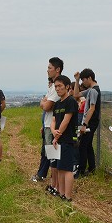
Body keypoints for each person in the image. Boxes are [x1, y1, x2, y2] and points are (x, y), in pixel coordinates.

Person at [32, 58, 63, 195]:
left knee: (51, 153)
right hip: (47, 124)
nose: (47, 70)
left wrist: (44, 102)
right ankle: (44, 175)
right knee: (46, 151)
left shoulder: (58, 87)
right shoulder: (52, 87)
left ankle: (53, 182)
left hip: (52, 125)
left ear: (57, 69)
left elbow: (47, 105)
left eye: (50, 68)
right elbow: (44, 105)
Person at [51, 75, 78, 201]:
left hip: (67, 139)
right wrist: (53, 131)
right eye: (56, 86)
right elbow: (54, 120)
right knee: (60, 168)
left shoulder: (71, 101)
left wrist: (56, 136)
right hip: (58, 139)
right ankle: (61, 193)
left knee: (67, 169)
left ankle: (67, 196)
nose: (57, 89)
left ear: (67, 87)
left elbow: (66, 121)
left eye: (60, 86)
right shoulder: (57, 104)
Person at [73, 68, 101, 176]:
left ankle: (81, 170)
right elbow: (76, 95)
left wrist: (84, 124)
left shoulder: (93, 91)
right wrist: (76, 80)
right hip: (91, 122)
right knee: (88, 145)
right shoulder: (91, 90)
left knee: (83, 145)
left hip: (90, 122)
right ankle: (92, 168)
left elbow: (92, 108)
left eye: (83, 80)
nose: (82, 82)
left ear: (89, 78)